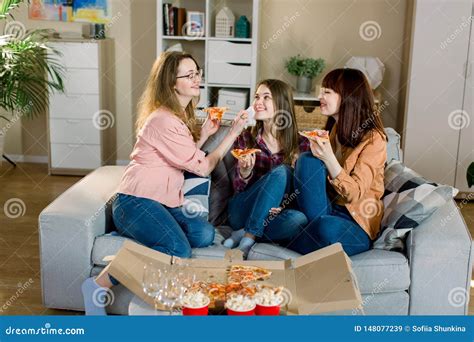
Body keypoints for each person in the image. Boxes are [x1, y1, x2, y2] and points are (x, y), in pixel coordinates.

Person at [81, 51, 248, 315]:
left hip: (160, 204)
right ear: (172, 83)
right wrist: (233, 134)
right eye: (189, 75)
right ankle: (98, 285)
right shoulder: (163, 120)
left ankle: (142, 235)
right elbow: (202, 167)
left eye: (197, 73)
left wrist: (203, 135)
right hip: (135, 202)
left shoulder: (175, 119)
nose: (197, 79)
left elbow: (181, 157)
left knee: (203, 234)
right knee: (177, 249)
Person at [289, 68, 387, 257]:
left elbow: (354, 194)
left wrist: (329, 158)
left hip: (354, 225)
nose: (320, 96)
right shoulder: (334, 130)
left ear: (348, 96)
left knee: (325, 227)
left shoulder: (375, 139)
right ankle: (305, 234)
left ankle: (296, 235)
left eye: (327, 91)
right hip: (326, 210)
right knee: (307, 161)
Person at [223, 79, 310, 257]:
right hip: (241, 210)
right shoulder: (246, 138)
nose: (258, 103)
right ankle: (247, 240)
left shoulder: (302, 144)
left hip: (271, 216)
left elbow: (303, 193)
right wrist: (245, 173)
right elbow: (237, 189)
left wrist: (284, 207)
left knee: (298, 219)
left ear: (281, 103)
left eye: (266, 97)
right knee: (282, 172)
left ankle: (245, 233)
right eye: (256, 97)